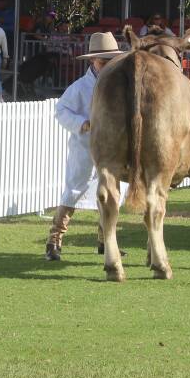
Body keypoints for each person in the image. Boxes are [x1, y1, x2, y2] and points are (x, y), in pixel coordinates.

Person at [46, 32, 126, 260]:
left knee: (111, 195)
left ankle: (106, 241)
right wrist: (83, 123)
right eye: (103, 61)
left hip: (111, 149)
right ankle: (54, 240)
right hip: (85, 148)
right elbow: (61, 111)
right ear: (93, 61)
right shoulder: (80, 87)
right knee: (74, 191)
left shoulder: (118, 86)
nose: (108, 65)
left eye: (110, 61)